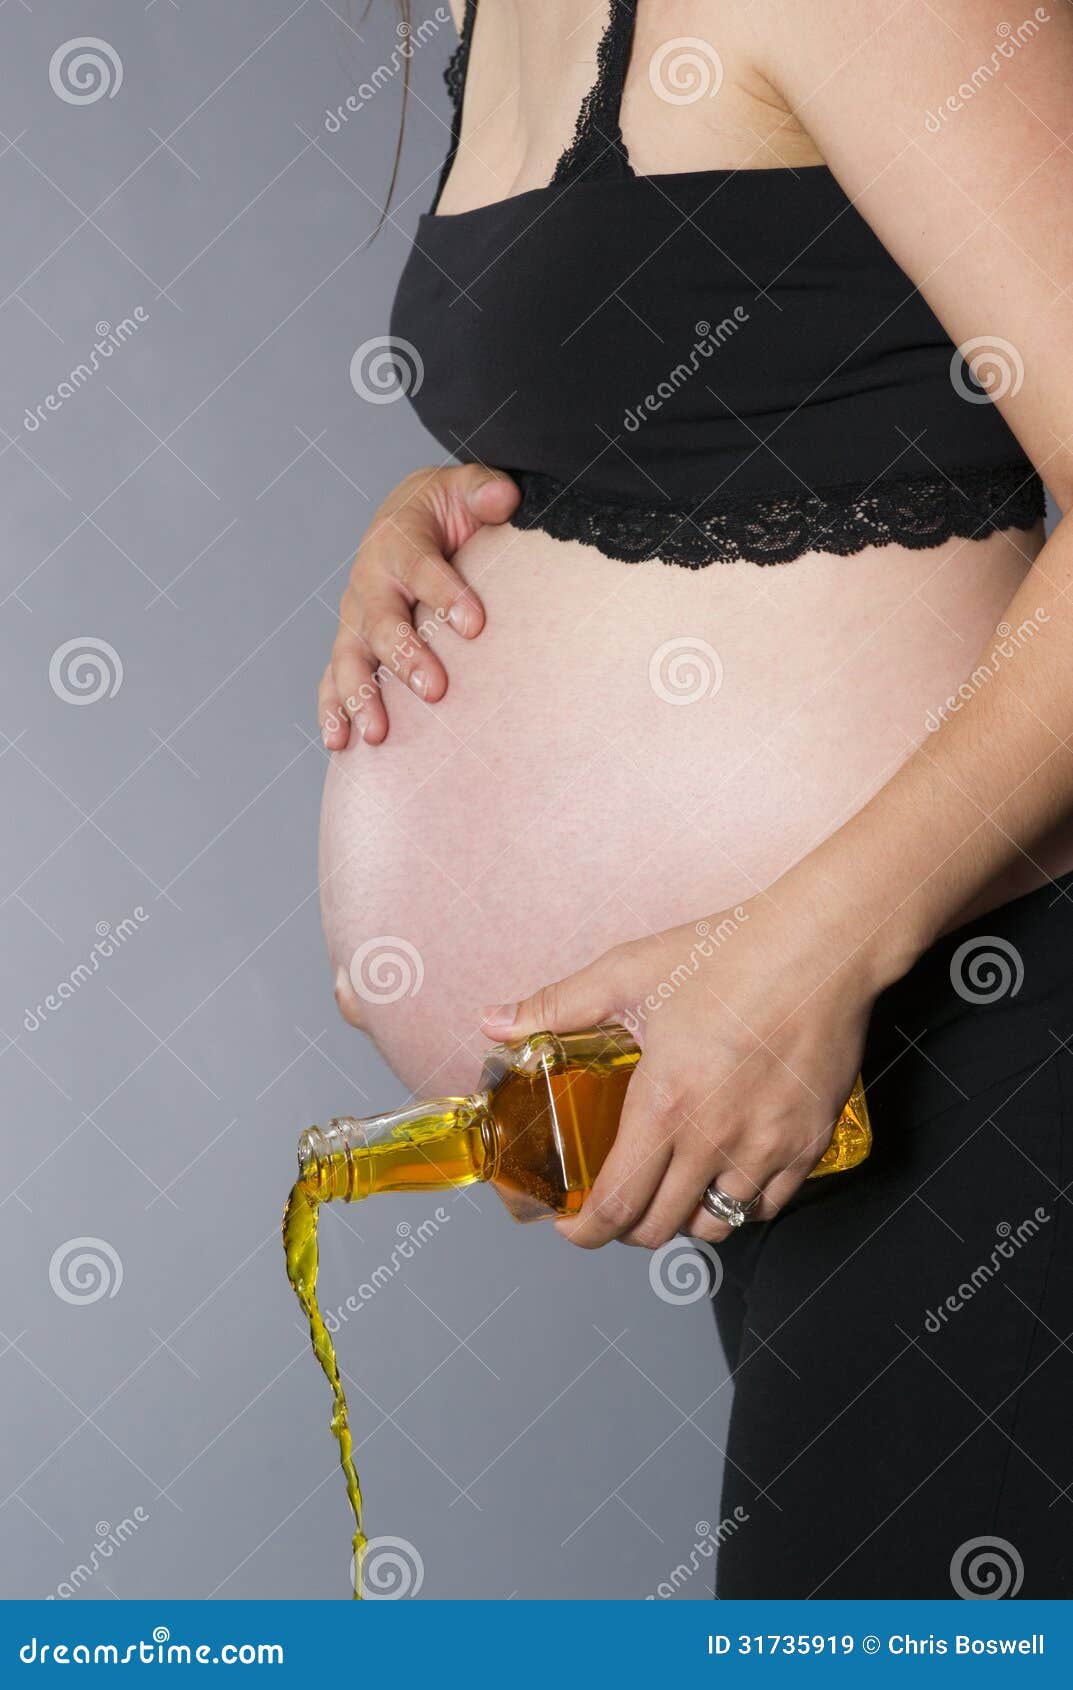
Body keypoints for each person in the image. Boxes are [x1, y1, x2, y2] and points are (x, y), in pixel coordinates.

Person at [317, 0, 1073, 1596]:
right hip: (829, 1083)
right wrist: (455, 511)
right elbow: (788, 374)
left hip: (1000, 1019)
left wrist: (797, 961)